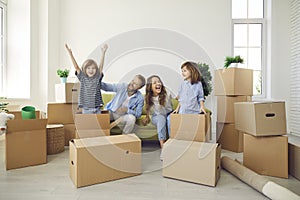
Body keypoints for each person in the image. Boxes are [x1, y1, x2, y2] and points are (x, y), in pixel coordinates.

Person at [65, 43, 108, 114]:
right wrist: (70, 53)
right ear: (85, 69)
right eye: (88, 68)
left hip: (97, 108)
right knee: (88, 124)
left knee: (97, 124)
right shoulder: (83, 78)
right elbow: (76, 67)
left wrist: (103, 53)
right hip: (86, 109)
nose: (91, 70)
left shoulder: (97, 77)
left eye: (93, 68)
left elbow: (101, 67)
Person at [142, 75, 173, 148]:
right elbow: (148, 108)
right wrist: (147, 117)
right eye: (155, 83)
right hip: (157, 116)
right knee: (161, 119)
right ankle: (163, 147)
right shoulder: (148, 97)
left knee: (170, 120)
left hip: (169, 114)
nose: (158, 84)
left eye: (159, 82)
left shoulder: (166, 94)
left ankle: (172, 144)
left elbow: (169, 105)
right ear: (150, 86)